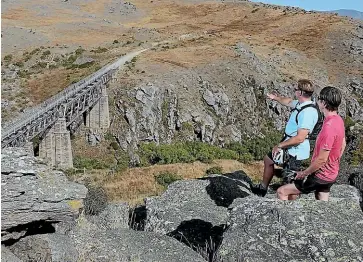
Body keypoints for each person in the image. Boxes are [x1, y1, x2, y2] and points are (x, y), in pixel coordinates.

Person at [251, 79, 319, 197]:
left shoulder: (308, 112)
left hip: (296, 150)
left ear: (301, 93)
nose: (294, 91)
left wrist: (279, 145)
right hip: (288, 144)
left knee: (291, 182)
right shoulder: (300, 104)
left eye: (296, 89)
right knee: (268, 159)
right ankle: (263, 188)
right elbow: (287, 101)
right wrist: (275, 98)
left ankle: (290, 206)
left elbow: (300, 138)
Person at [277, 86, 346, 201]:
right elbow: (343, 143)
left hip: (320, 176)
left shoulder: (328, 128)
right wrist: (333, 163)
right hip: (332, 174)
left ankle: (288, 218)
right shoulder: (338, 120)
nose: (317, 101)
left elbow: (321, 160)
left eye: (319, 99)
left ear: (323, 103)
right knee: (322, 198)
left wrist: (304, 173)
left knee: (282, 191)